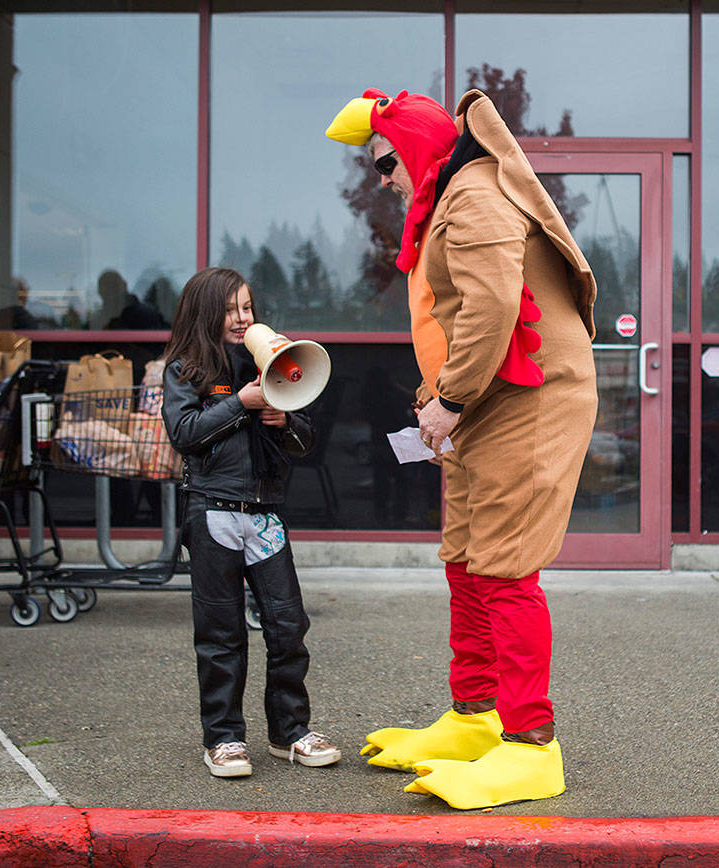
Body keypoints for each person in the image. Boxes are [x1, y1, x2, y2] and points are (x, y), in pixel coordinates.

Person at [325, 88, 598, 809]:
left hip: (532, 397)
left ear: (412, 147)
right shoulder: (450, 199)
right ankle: (476, 717)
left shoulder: (473, 195)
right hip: (492, 399)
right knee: (465, 555)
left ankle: (531, 747)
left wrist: (447, 402)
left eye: (385, 162)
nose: (381, 179)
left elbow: (493, 305)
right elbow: (455, 319)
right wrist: (439, 399)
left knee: (506, 567)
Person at [160, 266, 340, 778]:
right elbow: (184, 433)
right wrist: (240, 402)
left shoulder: (273, 363)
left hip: (264, 516)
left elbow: (304, 445)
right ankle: (223, 739)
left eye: (248, 307)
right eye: (232, 308)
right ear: (206, 311)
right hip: (213, 512)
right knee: (221, 634)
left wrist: (283, 419)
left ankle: (290, 733)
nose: (243, 318)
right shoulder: (185, 370)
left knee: (288, 626)